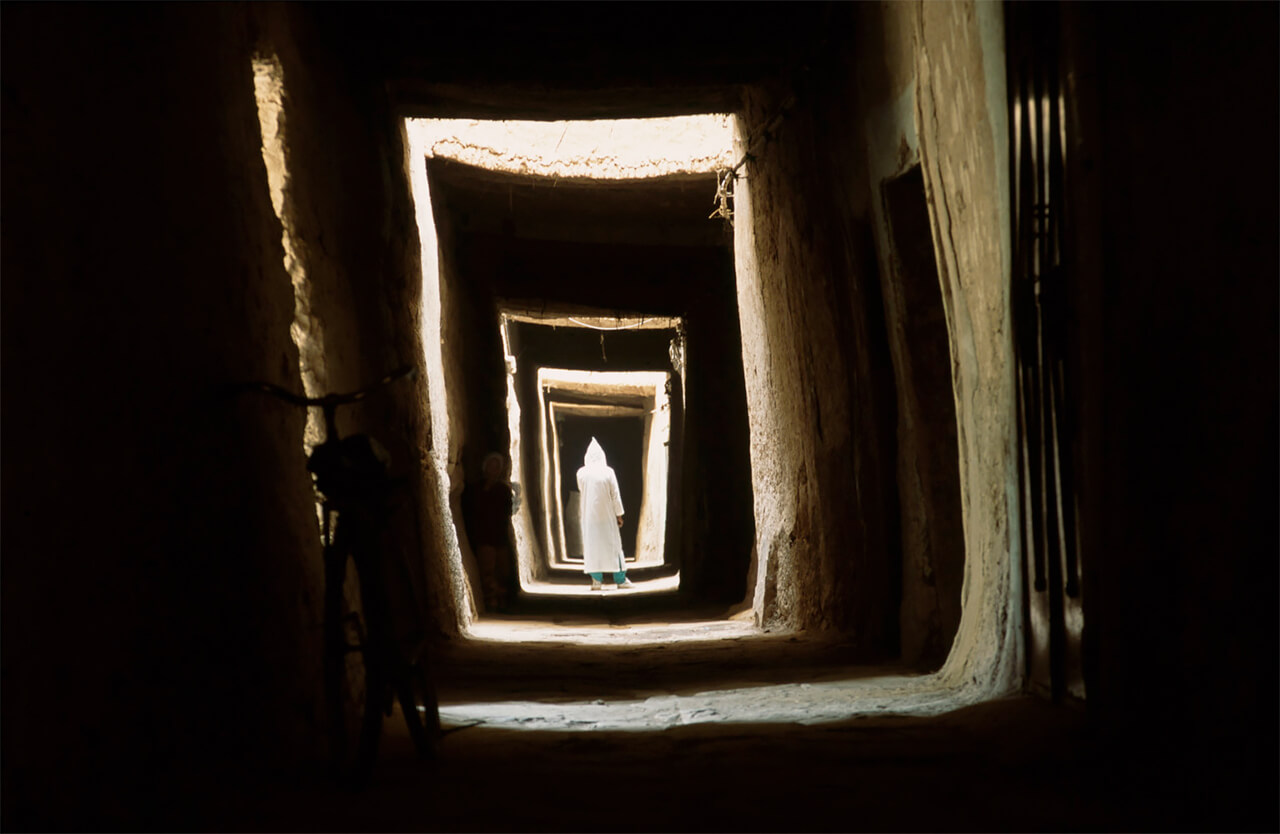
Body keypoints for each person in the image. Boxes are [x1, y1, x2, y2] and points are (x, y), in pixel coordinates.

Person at [576, 438, 633, 591]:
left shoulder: (581, 473)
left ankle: (596, 581)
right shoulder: (609, 472)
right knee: (614, 546)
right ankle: (620, 580)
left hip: (589, 518)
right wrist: (619, 514)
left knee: (592, 547)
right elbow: (615, 494)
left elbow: (583, 491)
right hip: (607, 518)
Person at [465, 451, 516, 611]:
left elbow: (507, 512)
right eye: (490, 465)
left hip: (499, 535)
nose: (493, 469)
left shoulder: (503, 490)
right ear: (484, 467)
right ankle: (491, 600)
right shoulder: (475, 488)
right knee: (487, 569)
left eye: (496, 466)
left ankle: (501, 599)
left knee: (502, 570)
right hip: (484, 535)